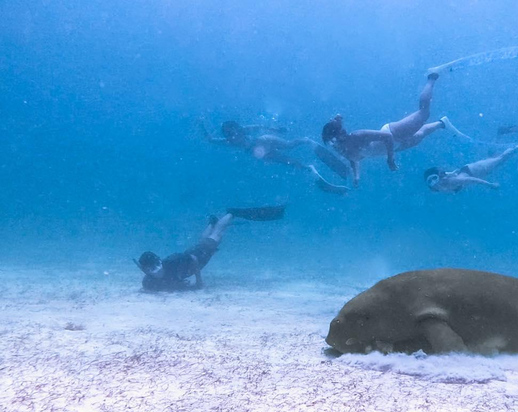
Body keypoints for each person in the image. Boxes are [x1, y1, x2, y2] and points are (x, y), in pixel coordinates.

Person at [321, 73, 448, 186]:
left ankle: (431, 77)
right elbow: (353, 159)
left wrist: (390, 160)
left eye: (337, 139)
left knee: (424, 113)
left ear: (339, 135)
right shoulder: (341, 149)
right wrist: (356, 177)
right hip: (394, 147)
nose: (336, 145)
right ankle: (441, 123)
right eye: (333, 143)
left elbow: (387, 137)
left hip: (392, 133)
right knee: (420, 135)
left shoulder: (357, 136)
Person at [134, 206, 285, 291]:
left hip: (199, 256)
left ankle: (232, 213)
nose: (157, 271)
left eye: (157, 266)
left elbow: (192, 259)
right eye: (151, 270)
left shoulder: (172, 261)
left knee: (216, 236)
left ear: (160, 261)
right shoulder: (150, 279)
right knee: (203, 240)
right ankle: (212, 222)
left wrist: (199, 281)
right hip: (194, 252)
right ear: (146, 271)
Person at [203, 120, 351, 195]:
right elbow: (211, 139)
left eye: (233, 131)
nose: (232, 135)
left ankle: (307, 141)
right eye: (229, 133)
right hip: (261, 153)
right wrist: (202, 127)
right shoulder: (229, 141)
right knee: (292, 163)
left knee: (289, 145)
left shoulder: (243, 130)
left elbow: (259, 126)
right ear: (226, 134)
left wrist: (276, 129)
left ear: (236, 127)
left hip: (264, 141)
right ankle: (310, 169)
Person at [424, 144, 518, 194]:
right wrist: (453, 172)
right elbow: (445, 174)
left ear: (439, 177)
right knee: (496, 161)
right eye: (430, 181)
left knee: (500, 159)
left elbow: (472, 180)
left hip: (475, 170)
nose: (434, 183)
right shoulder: (436, 187)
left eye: (434, 178)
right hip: (470, 170)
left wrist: (490, 185)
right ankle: (501, 138)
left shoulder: (453, 180)